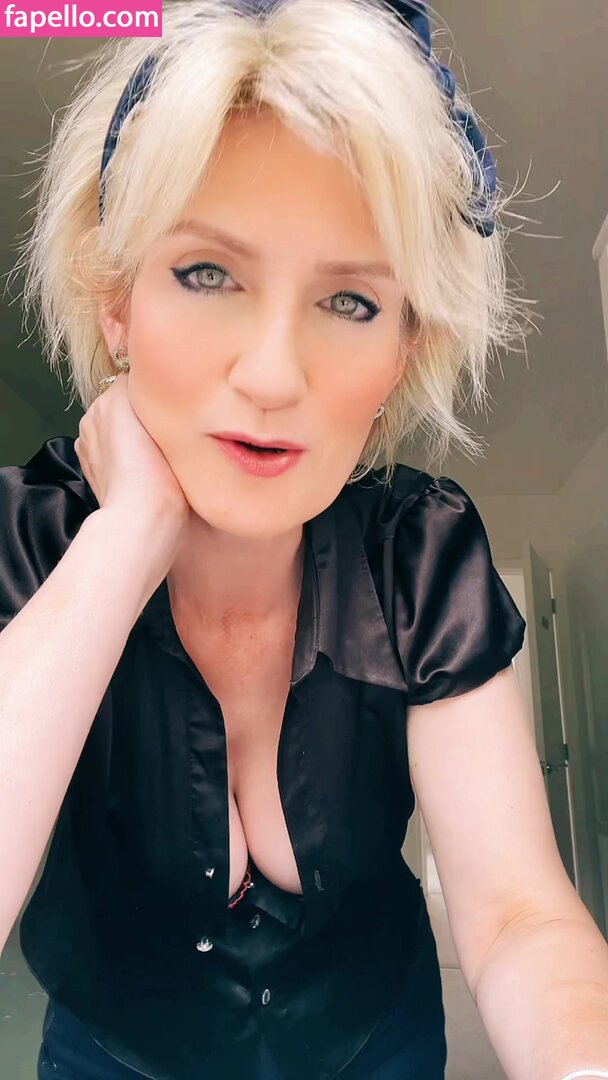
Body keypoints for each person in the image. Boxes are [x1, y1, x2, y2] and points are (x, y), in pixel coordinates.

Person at [3, 2, 606, 1079]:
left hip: (375, 1043)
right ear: (115, 304)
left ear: (402, 352)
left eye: (350, 301)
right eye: (206, 273)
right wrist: (127, 536)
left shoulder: (419, 554)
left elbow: (519, 915)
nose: (275, 375)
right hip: (111, 1053)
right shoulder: (32, 537)